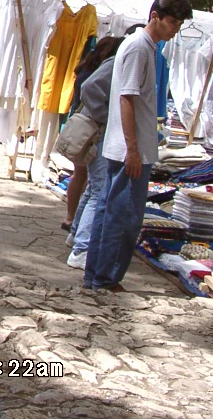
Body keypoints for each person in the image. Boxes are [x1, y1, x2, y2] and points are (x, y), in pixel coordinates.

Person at [83, 0, 191, 292]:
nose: (175, 29)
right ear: (155, 16)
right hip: (130, 150)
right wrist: (132, 149)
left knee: (111, 212)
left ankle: (98, 276)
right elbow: (126, 99)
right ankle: (105, 278)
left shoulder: (144, 48)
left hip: (130, 146)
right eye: (172, 22)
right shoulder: (139, 48)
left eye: (179, 24)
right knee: (123, 217)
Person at [62, 35, 125, 270]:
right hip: (98, 132)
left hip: (95, 131)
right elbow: (90, 88)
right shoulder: (113, 65)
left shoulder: (100, 65)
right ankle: (82, 249)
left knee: (92, 186)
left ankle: (76, 233)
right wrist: (105, 118)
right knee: (99, 188)